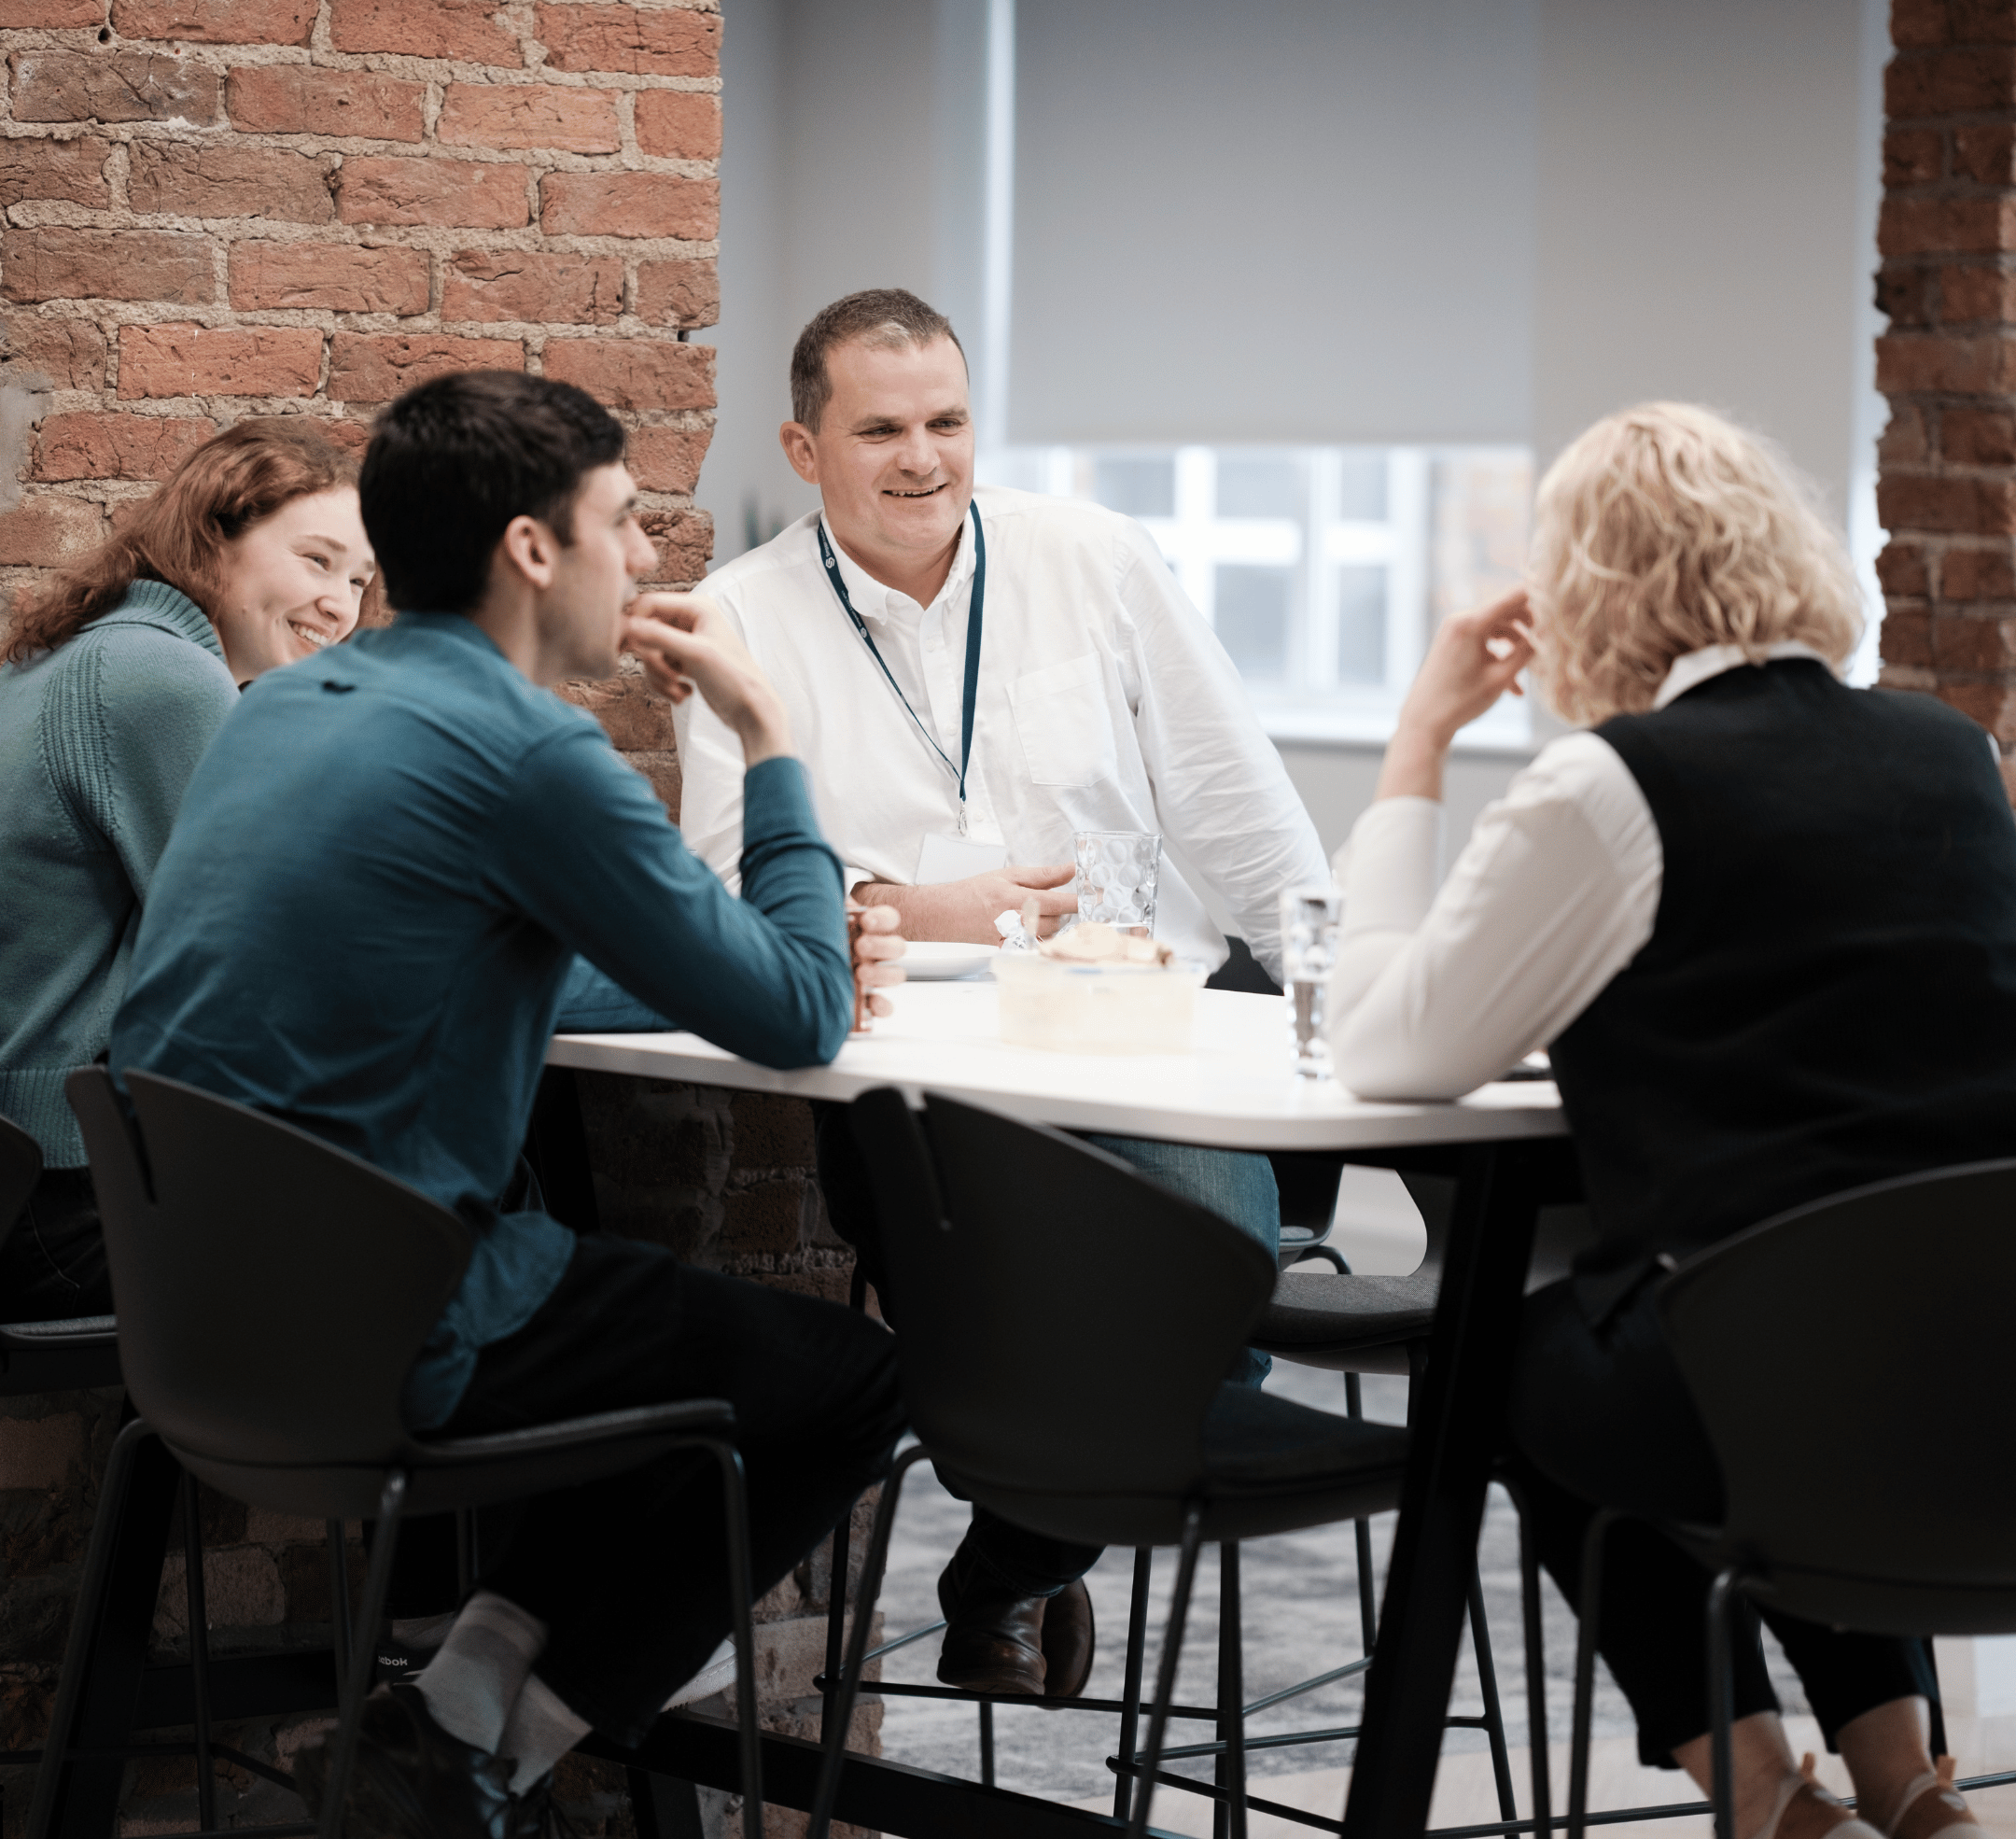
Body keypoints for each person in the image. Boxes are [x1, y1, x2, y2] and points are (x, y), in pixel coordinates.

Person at [110, 371, 906, 1839]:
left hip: (200, 1329)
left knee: (641, 1324)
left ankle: (452, 1719)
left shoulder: (281, 713)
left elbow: (490, 976)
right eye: (622, 519)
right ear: (536, 550)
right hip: (393, 1332)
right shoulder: (533, 756)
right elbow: (801, 1017)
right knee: (843, 1381)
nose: (654, 557)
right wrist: (772, 737)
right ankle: (483, 1757)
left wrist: (704, 951)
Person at [1327, 402, 2016, 1839]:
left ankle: (1766, 1800)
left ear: (1586, 588)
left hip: (1774, 1394)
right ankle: (1911, 1792)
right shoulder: (1951, 752)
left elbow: (1388, 1050)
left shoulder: (1613, 783)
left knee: (1519, 1364)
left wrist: (1417, 742)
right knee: (1782, 1320)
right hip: (1983, 1385)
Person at [675, 288, 1329, 1701]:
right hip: (910, 1073)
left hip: (1138, 1036)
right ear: (805, 447)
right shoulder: (740, 617)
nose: (925, 457)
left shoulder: (1093, 559)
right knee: (1025, 1326)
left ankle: (1005, 1572)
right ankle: (1030, 1553)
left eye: (950, 422)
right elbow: (728, 888)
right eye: (883, 429)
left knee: (1219, 1278)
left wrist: (1334, 985)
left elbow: (1236, 805)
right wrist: (925, 909)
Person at [0, 418, 373, 1316]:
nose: (343, 605)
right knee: (456, 1211)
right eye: (317, 562)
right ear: (215, 541)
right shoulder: (158, 679)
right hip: (52, 1204)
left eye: (361, 578)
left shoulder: (75, 657)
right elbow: (268, 963)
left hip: (31, 1180)